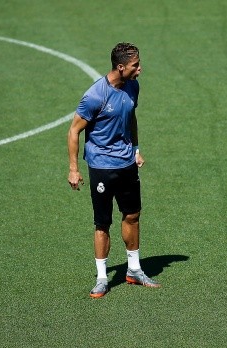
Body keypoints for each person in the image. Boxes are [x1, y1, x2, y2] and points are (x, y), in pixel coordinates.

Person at [67, 42, 159, 298]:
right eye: (135, 66)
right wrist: (74, 169)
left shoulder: (132, 87)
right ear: (120, 67)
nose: (140, 70)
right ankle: (101, 278)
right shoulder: (96, 95)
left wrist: (136, 148)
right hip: (101, 166)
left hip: (127, 163)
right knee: (102, 223)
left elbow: (131, 117)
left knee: (132, 215)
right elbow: (74, 130)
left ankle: (134, 270)